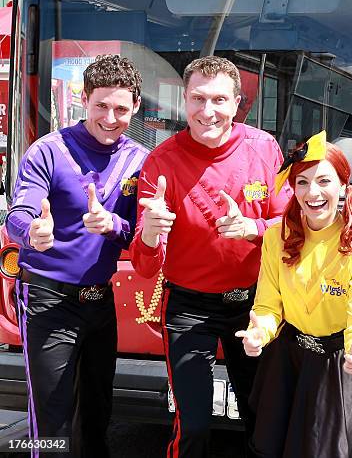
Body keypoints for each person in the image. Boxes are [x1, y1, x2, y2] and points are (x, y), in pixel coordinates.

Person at [129, 55, 292, 458]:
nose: (208, 112)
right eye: (198, 99)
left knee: (265, 420)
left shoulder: (264, 148)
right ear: (184, 101)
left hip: (256, 305)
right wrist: (150, 234)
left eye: (219, 100)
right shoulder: (160, 162)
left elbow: (291, 226)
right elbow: (145, 265)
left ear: (238, 102)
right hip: (188, 308)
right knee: (195, 425)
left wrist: (252, 228)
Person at [236, 131, 352, 458]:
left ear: (342, 186)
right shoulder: (275, 239)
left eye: (324, 181)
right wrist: (258, 334)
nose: (313, 193)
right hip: (289, 360)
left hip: (343, 364)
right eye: (303, 182)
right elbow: (267, 305)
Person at [6, 55, 146, 457]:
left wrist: (113, 226)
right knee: (51, 423)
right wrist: (32, 232)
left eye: (121, 108)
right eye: (101, 105)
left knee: (99, 419)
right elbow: (20, 213)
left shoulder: (140, 158)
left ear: (136, 106)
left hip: (101, 302)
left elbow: (139, 236)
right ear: (84, 98)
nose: (110, 117)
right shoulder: (49, 150)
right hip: (49, 302)